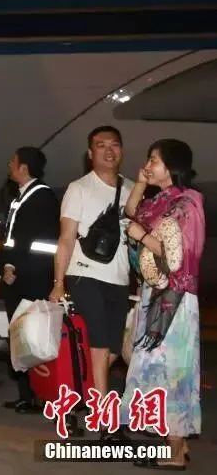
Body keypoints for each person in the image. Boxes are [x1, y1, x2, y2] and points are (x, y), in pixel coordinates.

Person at [122, 139, 204, 470]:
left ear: (171, 166)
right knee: (157, 369)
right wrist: (141, 182)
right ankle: (178, 444)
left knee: (172, 372)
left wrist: (141, 236)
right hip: (156, 294)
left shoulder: (186, 203)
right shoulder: (162, 201)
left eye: (153, 160)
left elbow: (175, 257)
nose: (147, 165)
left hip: (174, 298)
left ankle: (175, 452)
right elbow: (132, 212)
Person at [50, 125, 134, 442]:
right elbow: (66, 238)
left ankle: (81, 391)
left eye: (114, 145)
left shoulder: (132, 189)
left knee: (112, 349)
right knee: (99, 348)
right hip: (85, 275)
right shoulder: (79, 189)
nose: (108, 151)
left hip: (119, 278)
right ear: (90, 153)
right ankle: (107, 423)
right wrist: (58, 282)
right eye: (101, 145)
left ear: (122, 150)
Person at [0, 146, 59, 413]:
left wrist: (16, 268)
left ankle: (41, 396)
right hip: (17, 279)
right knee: (21, 338)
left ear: (24, 168)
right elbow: (12, 241)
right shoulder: (22, 197)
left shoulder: (42, 197)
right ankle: (26, 395)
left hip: (33, 280)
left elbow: (40, 243)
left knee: (34, 339)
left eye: (12, 161)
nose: (9, 165)